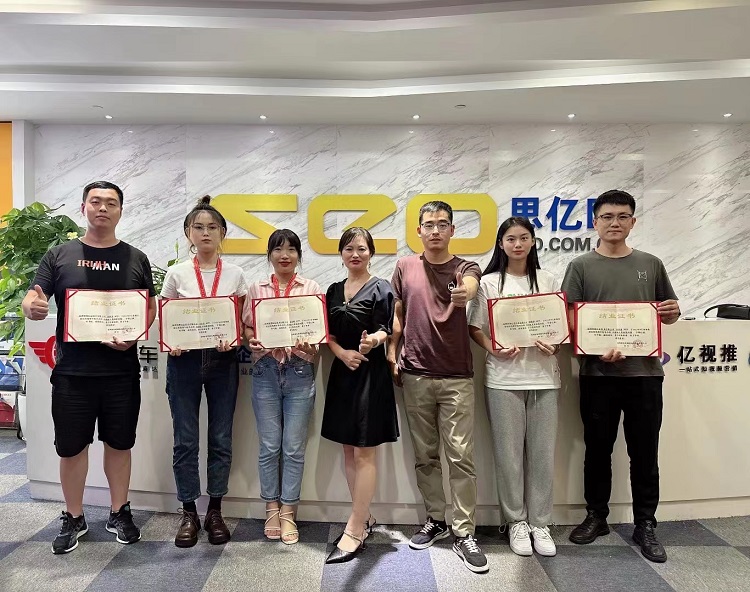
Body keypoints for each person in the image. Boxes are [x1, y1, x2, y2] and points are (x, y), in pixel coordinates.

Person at [22, 181, 157, 554]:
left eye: (111, 203)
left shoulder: (135, 258)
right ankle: (74, 515)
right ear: (83, 207)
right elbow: (34, 296)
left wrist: (135, 334)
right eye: (95, 201)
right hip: (73, 373)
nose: (103, 208)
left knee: (120, 444)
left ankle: (119, 511)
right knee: (71, 448)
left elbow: (148, 305)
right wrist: (31, 306)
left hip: (121, 372)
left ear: (120, 211)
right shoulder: (59, 255)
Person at [561, 189, 680, 563]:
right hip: (597, 373)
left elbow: (668, 312)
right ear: (595, 222)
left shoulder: (651, 264)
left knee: (645, 452)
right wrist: (595, 347)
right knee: (597, 449)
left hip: (644, 374)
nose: (615, 223)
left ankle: (646, 523)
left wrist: (672, 312)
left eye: (622, 216)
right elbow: (569, 318)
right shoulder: (580, 266)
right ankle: (596, 516)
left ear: (633, 221)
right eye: (607, 216)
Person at [387, 200, 488, 574]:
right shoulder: (404, 266)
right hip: (415, 373)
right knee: (425, 455)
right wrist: (392, 353)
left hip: (457, 376)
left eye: (442, 224)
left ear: (452, 230)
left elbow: (471, 286)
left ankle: (464, 533)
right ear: (418, 230)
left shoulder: (465, 268)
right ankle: (435, 519)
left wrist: (465, 293)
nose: (435, 230)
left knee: (461, 456)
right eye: (428, 224)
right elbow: (398, 314)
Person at [468, 216, 561, 558]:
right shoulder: (489, 283)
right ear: (501, 244)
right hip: (503, 379)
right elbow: (475, 328)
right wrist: (493, 348)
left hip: (544, 378)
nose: (517, 244)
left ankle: (540, 523)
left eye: (524, 238)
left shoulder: (548, 280)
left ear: (533, 241)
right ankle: (516, 521)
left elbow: (560, 326)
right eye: (510, 239)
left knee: (542, 455)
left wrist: (555, 343)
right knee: (508, 457)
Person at [160, 196, 247, 548]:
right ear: (188, 233)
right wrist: (172, 341)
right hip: (184, 362)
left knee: (221, 438)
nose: (206, 232)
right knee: (185, 440)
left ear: (223, 232)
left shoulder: (236, 274)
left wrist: (234, 338)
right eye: (199, 227)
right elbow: (166, 315)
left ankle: (214, 511)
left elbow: (240, 319)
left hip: (223, 362)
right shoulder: (177, 273)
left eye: (213, 227)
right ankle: (188, 512)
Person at [321, 227, 399, 564]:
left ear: (371, 253)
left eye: (362, 249)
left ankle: (354, 529)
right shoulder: (332, 290)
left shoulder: (382, 288)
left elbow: (386, 328)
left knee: (365, 452)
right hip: (343, 372)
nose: (355, 254)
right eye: (349, 248)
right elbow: (327, 333)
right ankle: (364, 517)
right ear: (341, 253)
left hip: (370, 373)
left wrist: (371, 343)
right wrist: (341, 353)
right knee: (349, 450)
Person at [242, 229, 321, 545]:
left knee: (293, 448)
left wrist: (312, 346)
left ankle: (288, 511)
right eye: (278, 249)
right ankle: (271, 508)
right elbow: (248, 327)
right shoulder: (256, 288)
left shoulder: (311, 288)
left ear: (298, 255)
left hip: (299, 370)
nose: (284, 255)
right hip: (265, 370)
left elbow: (317, 332)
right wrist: (252, 340)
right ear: (269, 255)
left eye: (291, 249)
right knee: (269, 446)